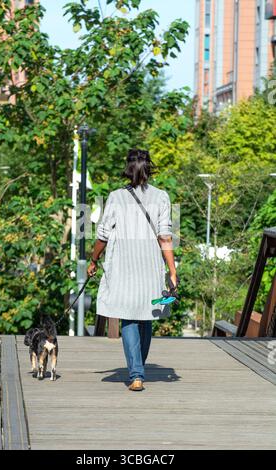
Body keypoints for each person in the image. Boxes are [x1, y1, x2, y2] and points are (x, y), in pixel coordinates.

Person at [87, 148, 177, 392]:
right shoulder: (161, 197)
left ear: (128, 169)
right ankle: (138, 369)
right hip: (149, 265)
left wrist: (93, 260)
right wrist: (172, 270)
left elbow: (102, 235)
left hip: (123, 265)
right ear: (149, 168)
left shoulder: (116, 197)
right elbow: (165, 237)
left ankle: (136, 373)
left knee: (128, 315)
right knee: (146, 315)